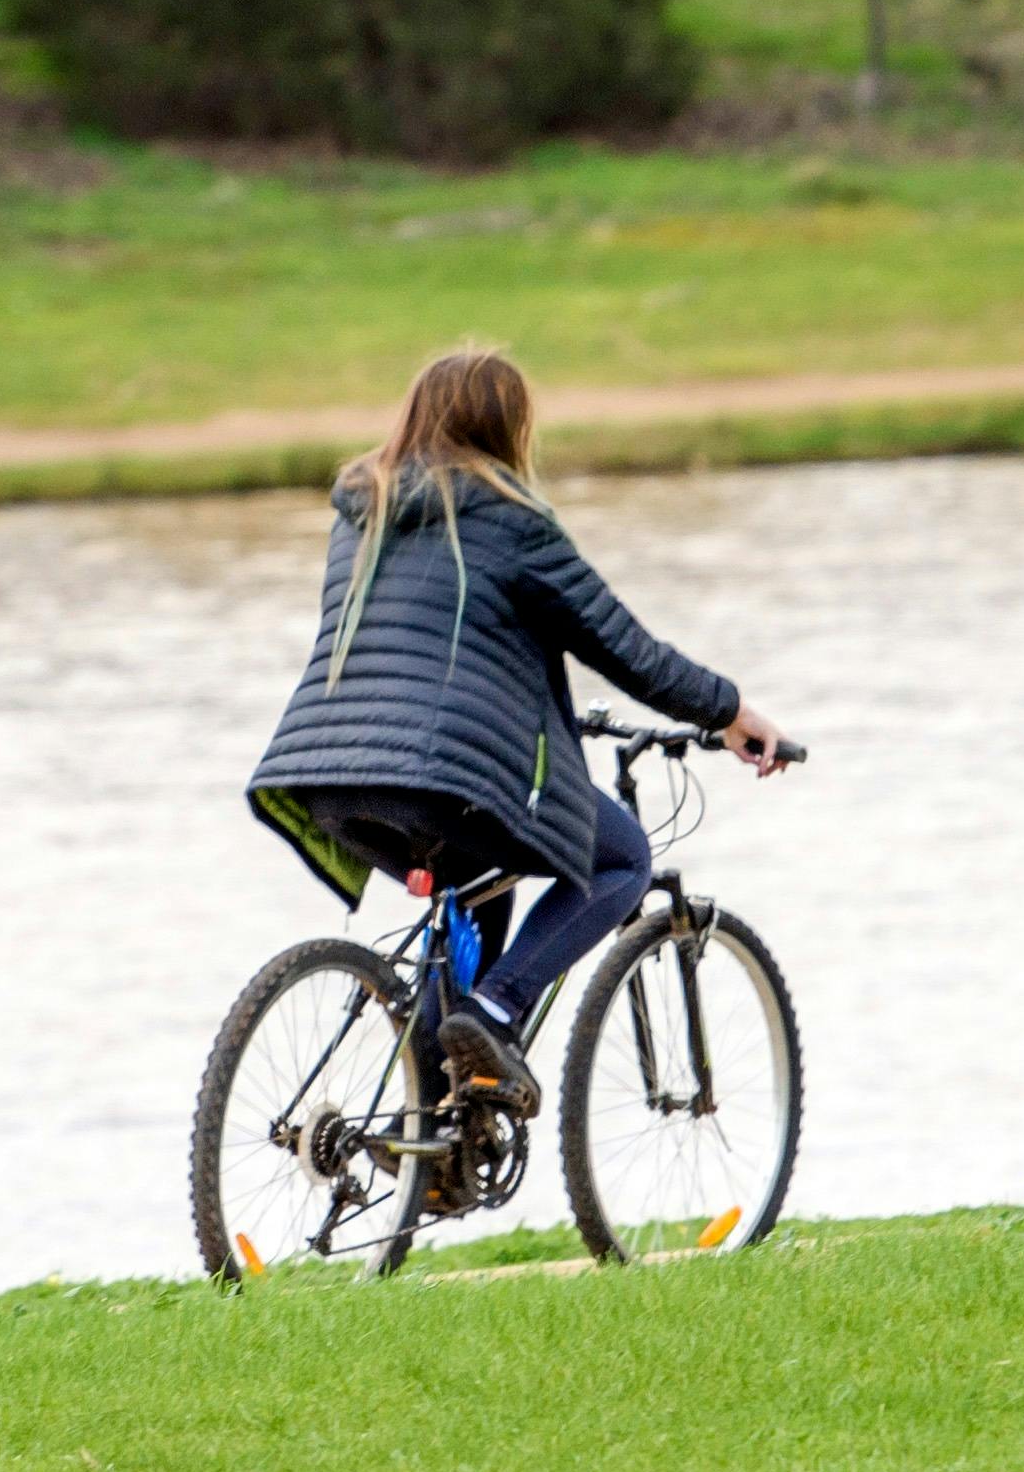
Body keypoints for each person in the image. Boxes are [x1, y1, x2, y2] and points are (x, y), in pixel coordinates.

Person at [247, 344, 796, 1107]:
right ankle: (497, 1008)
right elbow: (623, 646)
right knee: (620, 858)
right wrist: (730, 711)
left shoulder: (360, 508)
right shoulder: (510, 519)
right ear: (510, 428)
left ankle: (434, 1132)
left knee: (482, 876)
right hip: (437, 779)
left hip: (325, 773)